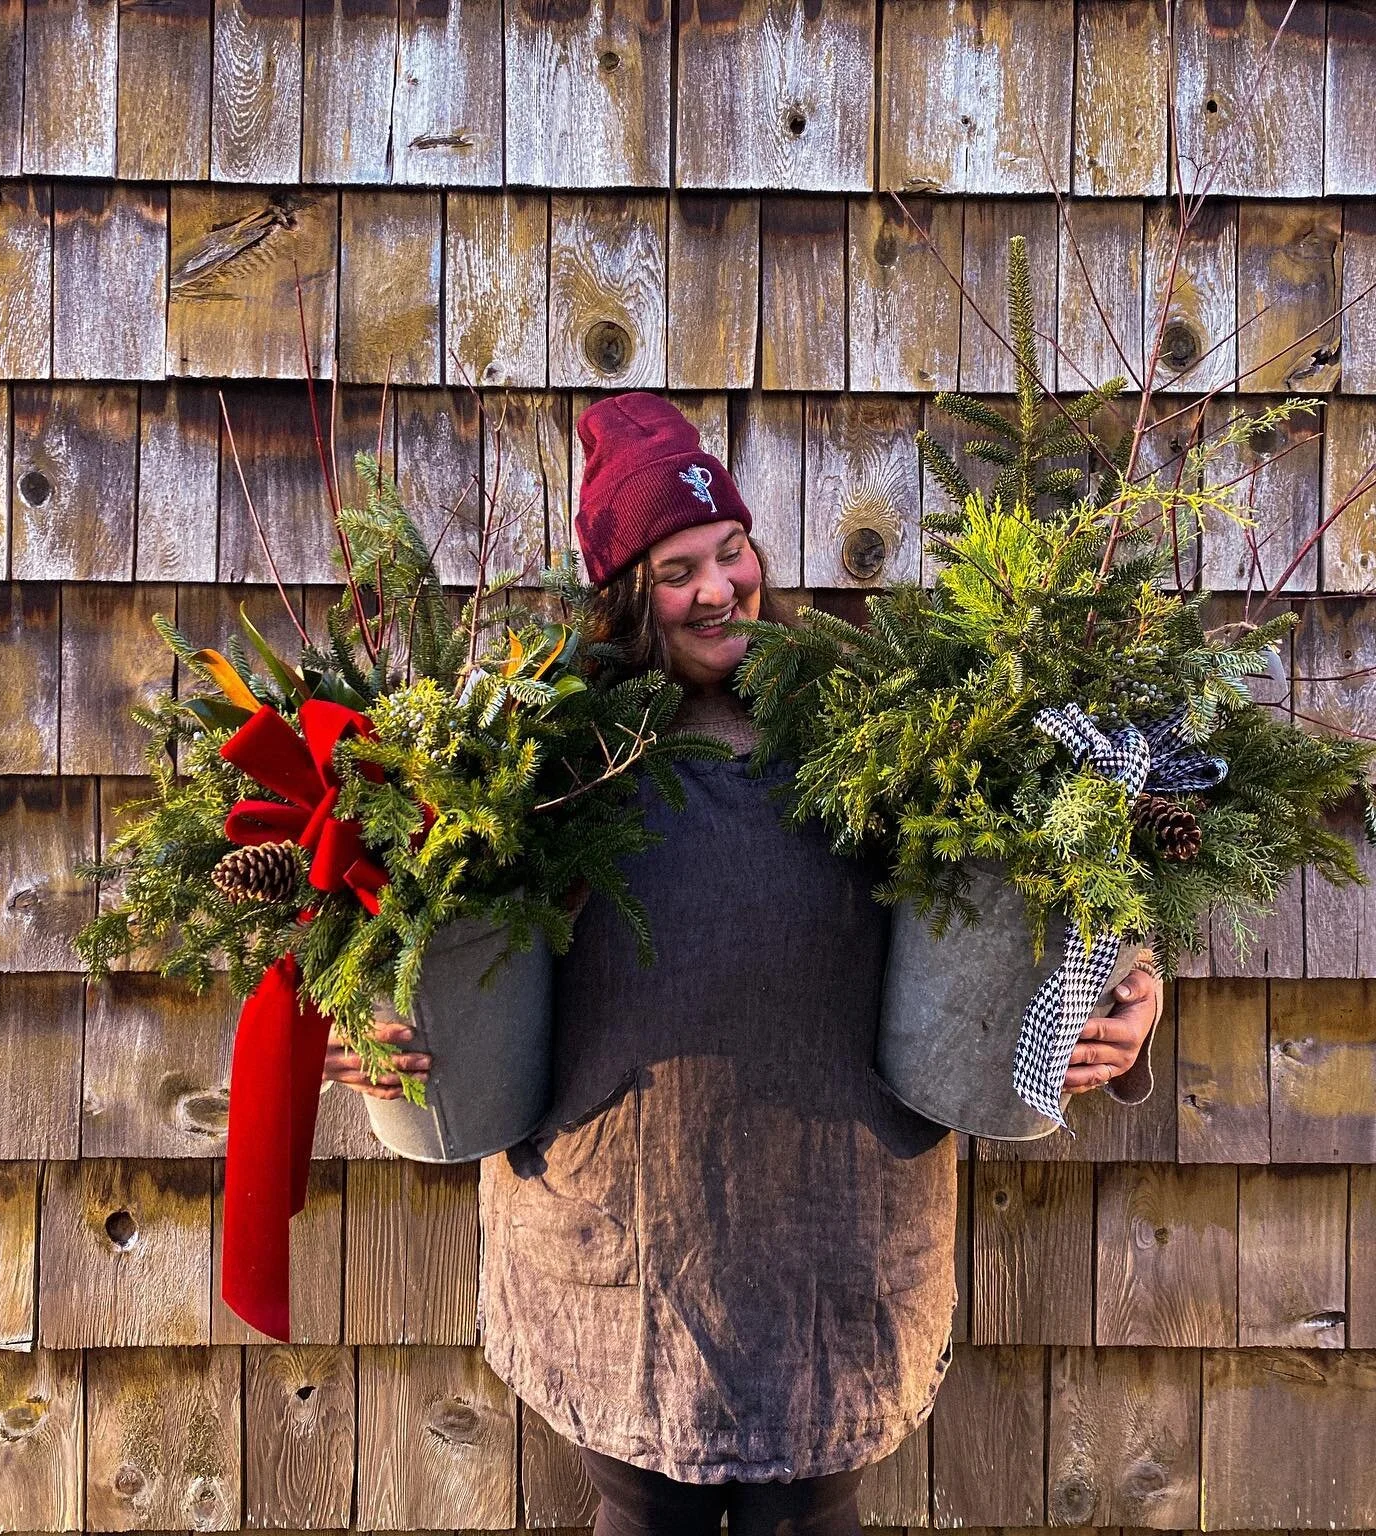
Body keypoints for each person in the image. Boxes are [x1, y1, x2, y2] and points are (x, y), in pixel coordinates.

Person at [323, 393, 1163, 1536]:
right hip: (620, 1245)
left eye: (732, 550)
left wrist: (1130, 984)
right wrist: (373, 1014)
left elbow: (1048, 861)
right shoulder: (552, 748)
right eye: (678, 569)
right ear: (626, 595)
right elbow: (404, 913)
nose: (720, 588)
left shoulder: (873, 722)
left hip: (836, 1248)